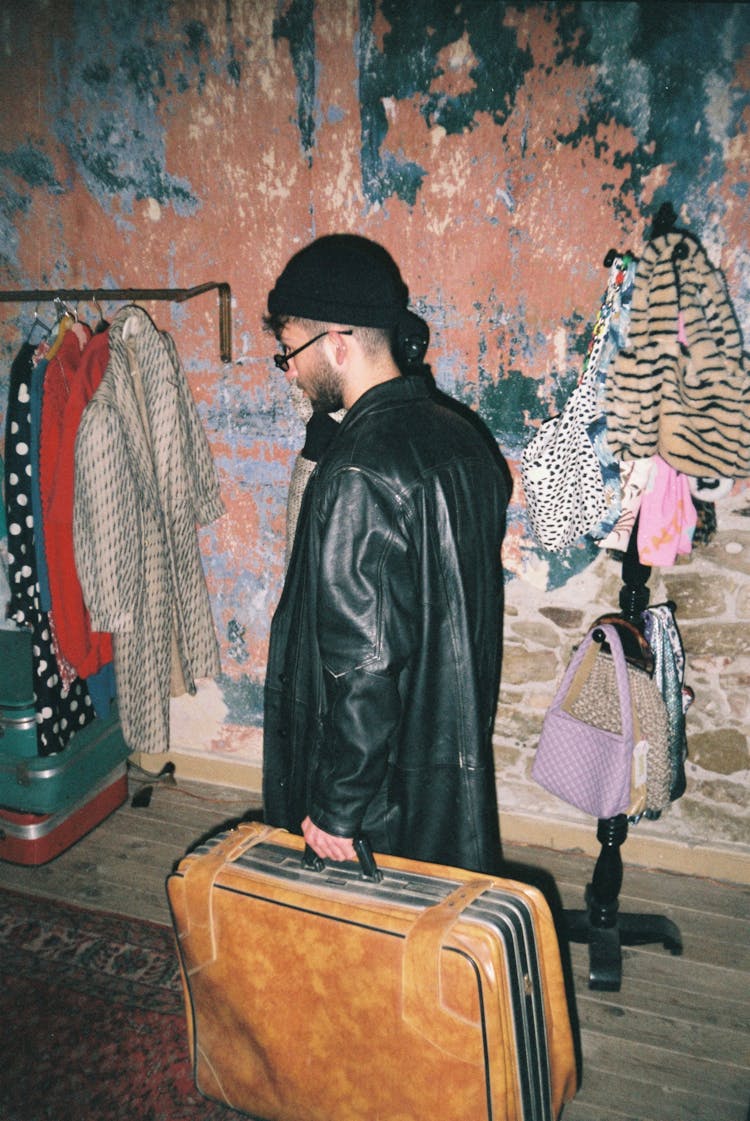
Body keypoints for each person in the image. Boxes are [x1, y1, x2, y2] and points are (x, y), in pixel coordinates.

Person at [262, 233, 510, 874]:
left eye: (289, 349)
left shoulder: (357, 471)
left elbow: (364, 667)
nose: (286, 367)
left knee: (353, 952)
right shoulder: (462, 437)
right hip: (442, 758)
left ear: (336, 344)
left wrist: (338, 806)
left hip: (379, 794)